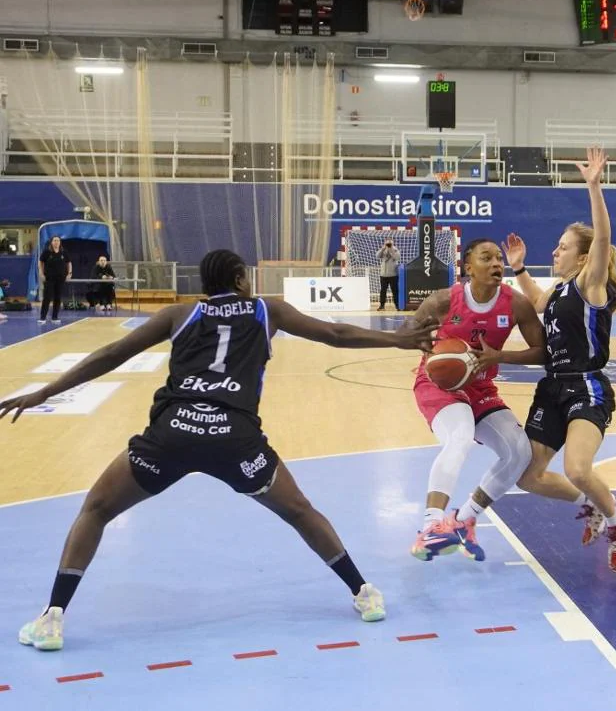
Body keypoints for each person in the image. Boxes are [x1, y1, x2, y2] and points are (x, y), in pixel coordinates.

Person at [0, 249, 440, 651]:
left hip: (173, 432)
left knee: (96, 510)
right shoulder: (269, 310)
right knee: (300, 511)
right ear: (239, 278)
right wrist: (398, 339)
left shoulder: (180, 313)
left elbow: (112, 353)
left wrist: (46, 392)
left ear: (204, 284)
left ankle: (52, 617)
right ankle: (363, 593)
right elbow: (336, 334)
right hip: (235, 437)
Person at [406, 238, 595, 562]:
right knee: (460, 436)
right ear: (468, 267)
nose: (496, 263)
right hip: (440, 385)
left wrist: (500, 355)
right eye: (486, 257)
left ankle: (463, 519)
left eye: (498, 258)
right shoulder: (443, 300)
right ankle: (432, 525)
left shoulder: (515, 304)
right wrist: (422, 341)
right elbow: (407, 330)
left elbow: (542, 352)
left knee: (519, 452)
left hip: (481, 388)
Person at [502, 147, 616, 572]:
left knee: (578, 468)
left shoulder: (589, 284)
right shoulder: (558, 291)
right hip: (553, 387)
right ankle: (594, 505)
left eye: (562, 248)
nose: (555, 253)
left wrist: (594, 187)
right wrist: (519, 268)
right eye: (555, 247)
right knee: (528, 477)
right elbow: (538, 301)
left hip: (587, 387)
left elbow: (604, 237)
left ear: (583, 258)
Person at [38, 235, 71, 325]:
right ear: (51, 242)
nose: (56, 242)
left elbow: (69, 263)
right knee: (47, 297)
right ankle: (43, 317)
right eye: (55, 240)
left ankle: (55, 317)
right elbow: (41, 262)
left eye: (58, 240)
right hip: (49, 278)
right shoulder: (47, 252)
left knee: (58, 298)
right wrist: (41, 273)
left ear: (60, 242)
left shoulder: (64, 252)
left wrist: (69, 273)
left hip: (60, 278)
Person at [376, 239, 400, 311]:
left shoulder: (395, 250)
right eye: (387, 243)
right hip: (383, 275)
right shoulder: (383, 250)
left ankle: (397, 305)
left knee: (395, 291)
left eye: (390, 243)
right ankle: (382, 306)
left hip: (393, 275)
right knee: (383, 291)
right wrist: (383, 248)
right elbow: (377, 256)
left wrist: (391, 250)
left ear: (392, 244)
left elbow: (397, 258)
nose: (388, 245)